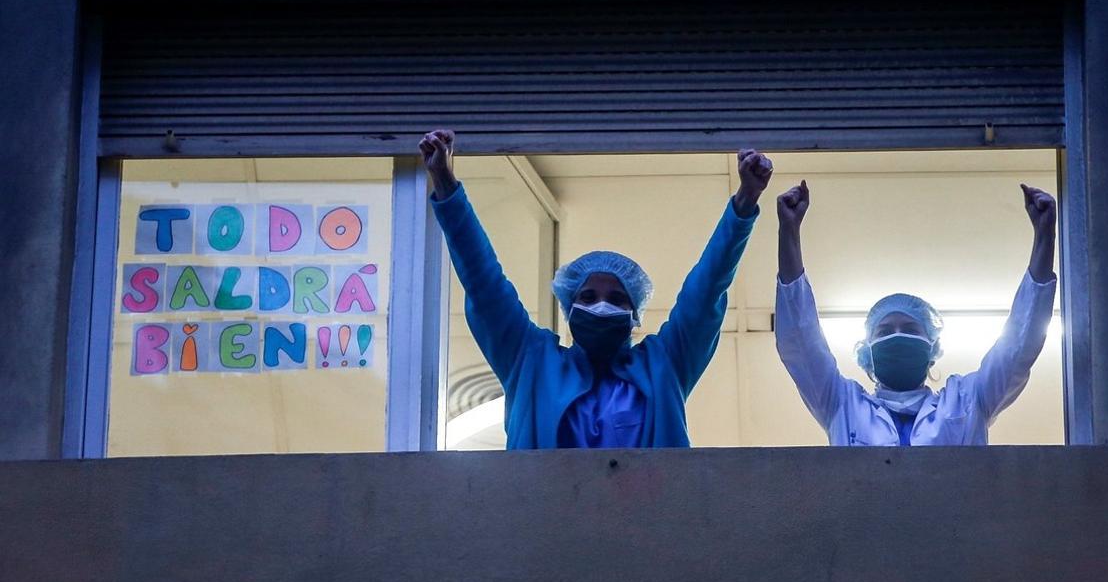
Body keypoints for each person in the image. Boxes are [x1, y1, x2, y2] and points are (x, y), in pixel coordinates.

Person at [419, 129, 772, 449]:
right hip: (547, 520)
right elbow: (484, 283)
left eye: (617, 299)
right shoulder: (531, 361)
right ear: (569, 307)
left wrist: (743, 205)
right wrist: (447, 187)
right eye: (588, 297)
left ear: (634, 314)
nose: (601, 306)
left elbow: (706, 291)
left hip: (651, 520)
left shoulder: (665, 363)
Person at [773, 180, 1057, 446]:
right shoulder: (841, 402)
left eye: (910, 328)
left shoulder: (968, 400)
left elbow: (1018, 347)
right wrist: (788, 231)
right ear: (867, 351)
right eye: (884, 332)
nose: (898, 336)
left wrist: (1045, 236)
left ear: (933, 346)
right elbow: (800, 342)